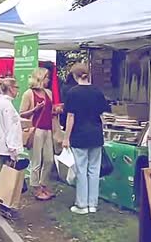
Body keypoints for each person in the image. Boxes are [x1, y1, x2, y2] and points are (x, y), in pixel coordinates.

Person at [63, 63, 110, 215]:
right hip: (96, 135)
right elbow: (103, 116)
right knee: (94, 171)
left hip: (79, 136)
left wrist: (66, 137)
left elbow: (71, 117)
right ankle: (92, 204)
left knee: (81, 170)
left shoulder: (72, 93)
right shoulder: (98, 92)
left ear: (75, 76)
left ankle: (81, 204)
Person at [20, 67, 60, 201]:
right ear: (40, 78)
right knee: (36, 159)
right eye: (46, 77)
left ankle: (43, 183)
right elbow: (21, 113)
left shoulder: (48, 93)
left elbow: (51, 110)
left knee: (49, 159)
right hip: (36, 129)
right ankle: (36, 186)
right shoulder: (28, 94)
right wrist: (35, 109)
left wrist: (56, 111)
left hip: (48, 128)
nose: (48, 79)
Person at [0, 76, 29, 217]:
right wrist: (13, 148)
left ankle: (6, 204)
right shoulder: (6, 105)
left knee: (9, 175)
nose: (18, 91)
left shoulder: (4, 103)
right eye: (16, 88)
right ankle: (3, 205)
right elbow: (10, 128)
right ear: (10, 88)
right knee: (9, 177)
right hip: (8, 146)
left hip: (6, 145)